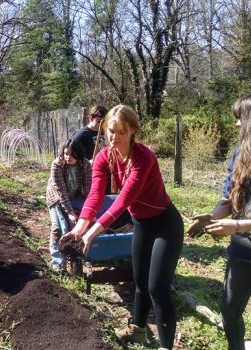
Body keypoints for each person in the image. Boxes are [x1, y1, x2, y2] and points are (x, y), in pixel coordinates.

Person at [61, 104, 184, 350]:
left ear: (133, 132)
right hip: (141, 224)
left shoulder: (144, 158)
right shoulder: (104, 157)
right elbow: (95, 196)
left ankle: (166, 346)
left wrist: (93, 233)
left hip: (165, 224)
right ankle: (138, 331)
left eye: (120, 132)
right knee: (139, 281)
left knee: (157, 289)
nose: (112, 137)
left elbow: (123, 202)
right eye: (109, 130)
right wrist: (79, 229)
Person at [187, 93, 251, 350]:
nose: (238, 124)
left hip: (243, 235)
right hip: (244, 250)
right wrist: (213, 217)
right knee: (229, 307)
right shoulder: (240, 154)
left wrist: (236, 226)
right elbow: (229, 198)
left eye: (241, 118)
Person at [45, 139, 91, 272]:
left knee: (77, 228)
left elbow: (88, 189)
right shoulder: (57, 165)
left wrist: (90, 213)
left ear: (79, 155)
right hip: (57, 198)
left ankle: (77, 260)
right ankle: (58, 263)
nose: (68, 157)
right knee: (59, 227)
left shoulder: (85, 165)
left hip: (76, 196)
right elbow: (61, 192)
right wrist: (70, 212)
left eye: (71, 155)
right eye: (65, 154)